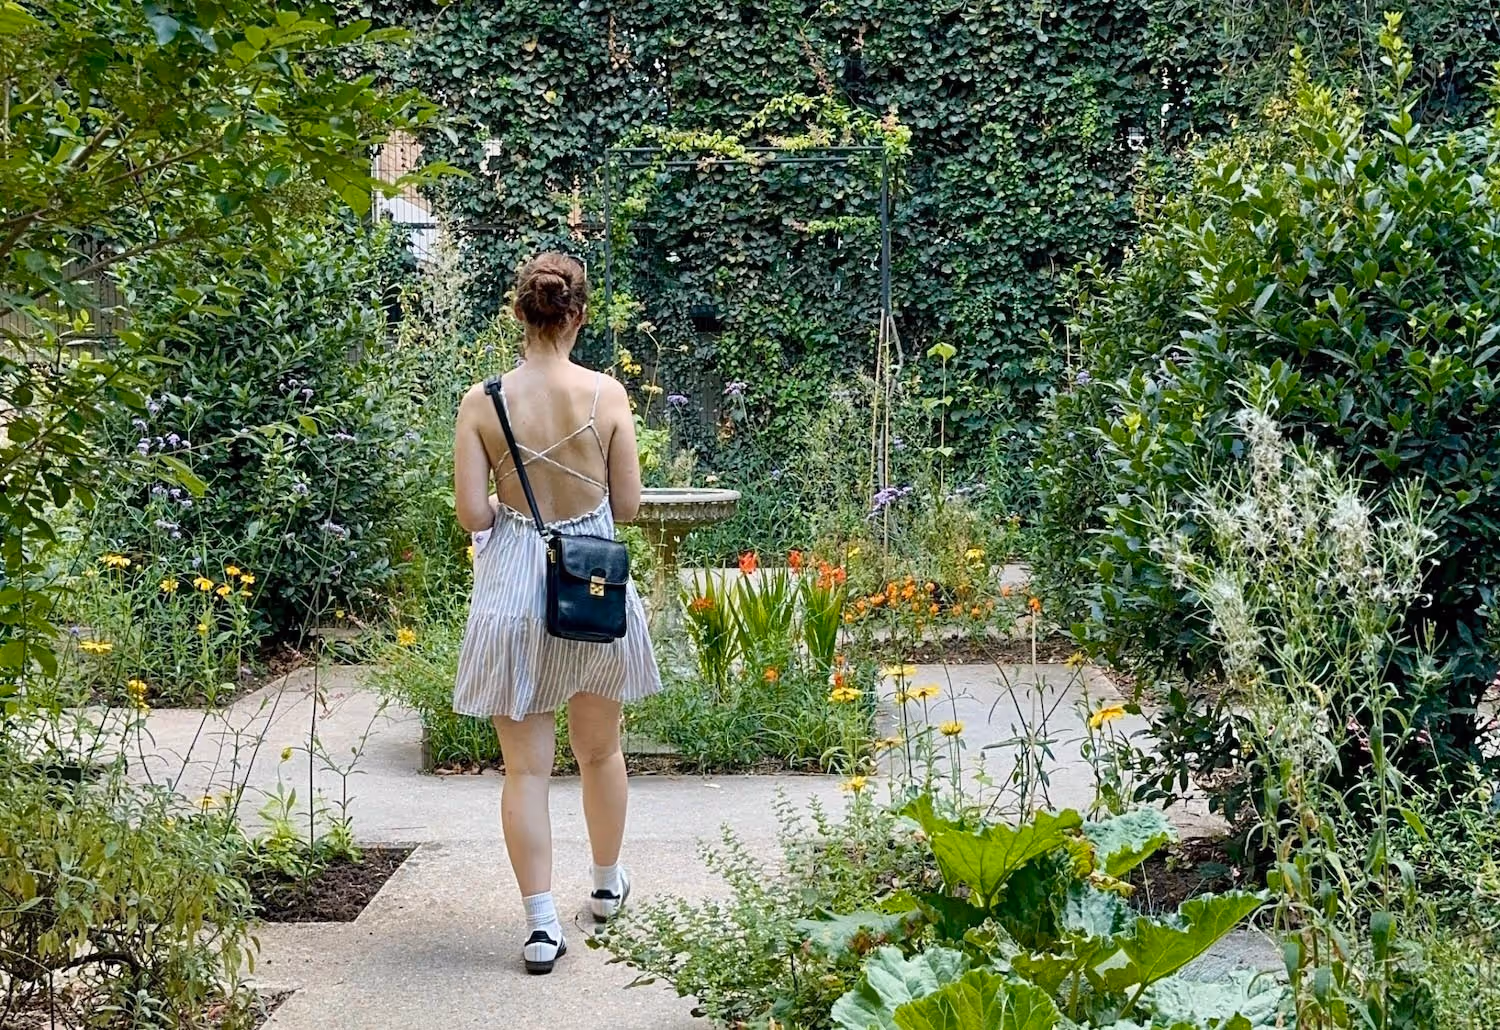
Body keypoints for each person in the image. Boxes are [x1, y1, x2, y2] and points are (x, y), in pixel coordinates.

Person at [451, 252, 662, 974]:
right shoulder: (607, 396)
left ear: (519, 313)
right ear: (579, 314)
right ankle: (604, 887)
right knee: (600, 750)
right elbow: (628, 507)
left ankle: (541, 926)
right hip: (592, 589)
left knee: (526, 772)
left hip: (514, 587)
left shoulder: (482, 402)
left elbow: (473, 512)